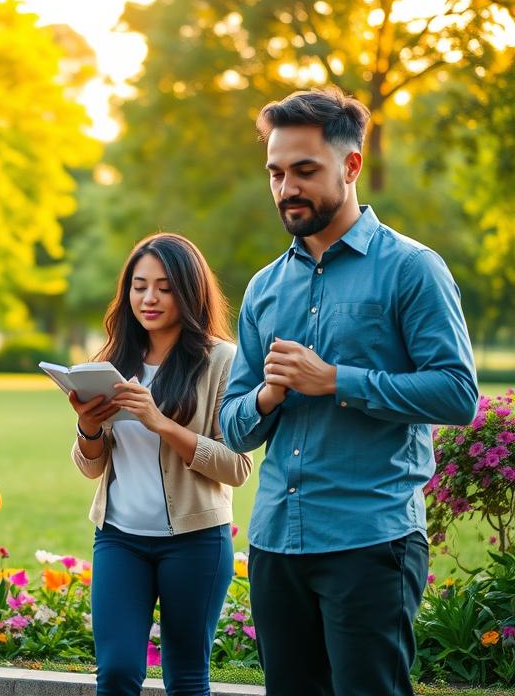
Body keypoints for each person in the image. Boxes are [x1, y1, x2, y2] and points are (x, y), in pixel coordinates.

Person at [219, 87, 478, 696]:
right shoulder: (263, 288)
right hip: (277, 541)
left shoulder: (412, 269)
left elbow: (457, 394)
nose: (287, 188)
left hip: (372, 539)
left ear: (351, 165)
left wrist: (336, 381)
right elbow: (232, 424)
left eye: (305, 170)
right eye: (276, 173)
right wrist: (267, 398)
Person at [69, 233, 253, 696]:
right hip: (118, 540)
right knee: (115, 674)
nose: (148, 298)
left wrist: (161, 423)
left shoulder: (221, 361)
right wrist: (88, 428)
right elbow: (91, 467)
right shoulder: (112, 361)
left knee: (187, 680)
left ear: (189, 292)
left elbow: (238, 468)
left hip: (194, 544)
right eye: (139, 285)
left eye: (165, 287)